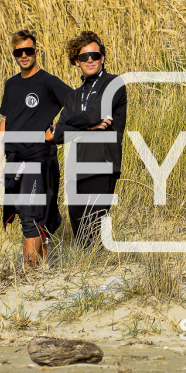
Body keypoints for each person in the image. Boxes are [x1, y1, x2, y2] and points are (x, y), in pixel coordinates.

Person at [0, 30, 72, 269]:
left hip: (38, 157)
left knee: (30, 213)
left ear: (37, 52)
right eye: (19, 52)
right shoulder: (11, 84)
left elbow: (75, 103)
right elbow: (5, 121)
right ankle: (42, 266)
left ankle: (28, 272)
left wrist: (55, 132)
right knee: (26, 212)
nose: (24, 55)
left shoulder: (48, 81)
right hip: (14, 158)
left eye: (28, 50)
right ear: (14, 55)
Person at [50, 31, 127, 249]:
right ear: (77, 61)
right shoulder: (72, 96)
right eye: (84, 56)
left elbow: (94, 115)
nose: (90, 60)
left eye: (95, 55)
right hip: (75, 168)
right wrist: (87, 126)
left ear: (102, 58)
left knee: (93, 228)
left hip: (102, 164)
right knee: (81, 236)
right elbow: (58, 134)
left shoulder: (114, 83)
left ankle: (99, 266)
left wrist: (74, 122)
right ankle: (87, 266)